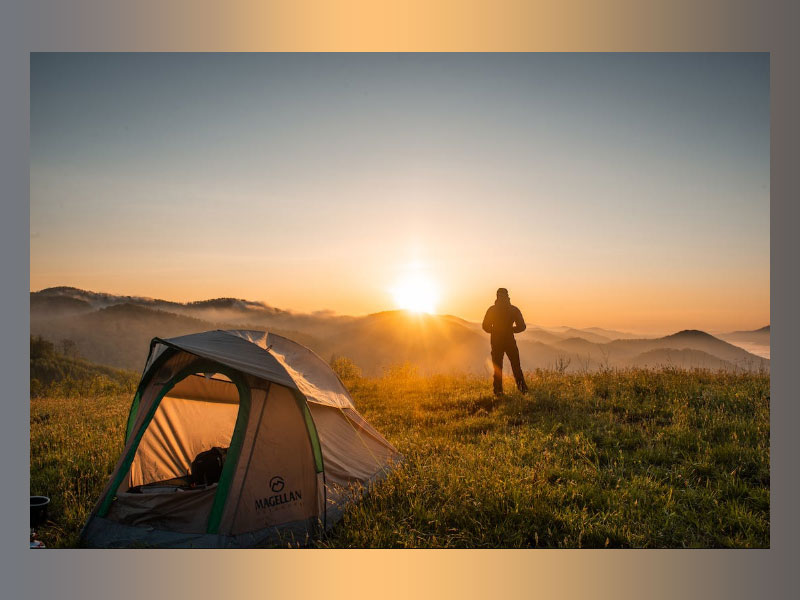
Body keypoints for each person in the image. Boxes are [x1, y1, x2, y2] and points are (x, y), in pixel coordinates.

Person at [482, 288, 528, 395]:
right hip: (510, 341)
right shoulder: (513, 309)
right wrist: (511, 330)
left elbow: (485, 326)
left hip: (496, 341)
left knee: (497, 367)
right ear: (508, 296)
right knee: (516, 366)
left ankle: (498, 392)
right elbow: (522, 327)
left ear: (497, 296)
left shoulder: (492, 310)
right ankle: (523, 390)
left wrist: (494, 331)